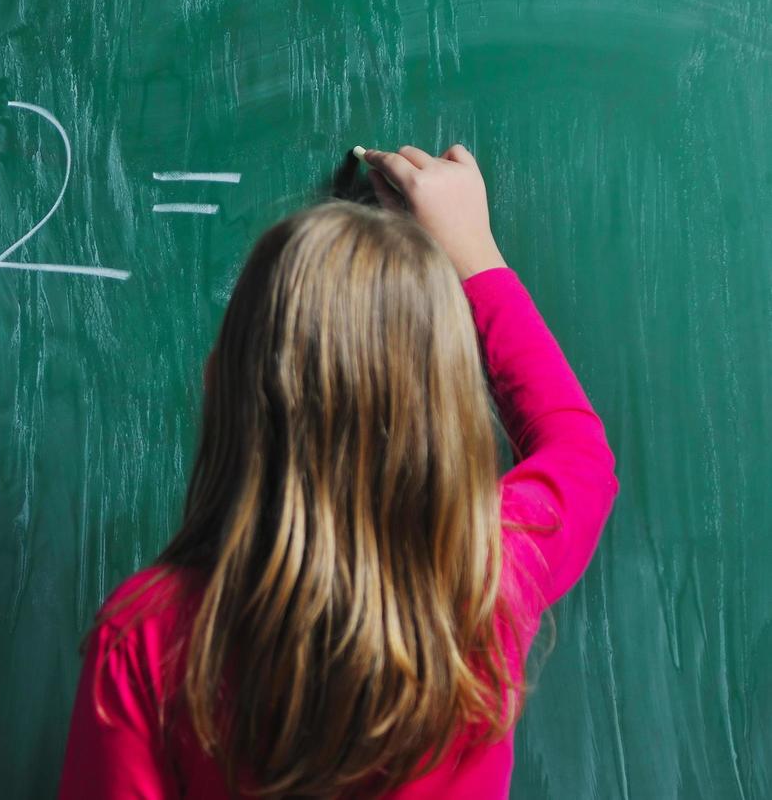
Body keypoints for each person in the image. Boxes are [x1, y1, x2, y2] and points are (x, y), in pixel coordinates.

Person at [57, 144, 618, 798]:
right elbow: (578, 451)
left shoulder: (147, 639)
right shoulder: (485, 584)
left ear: (219, 384)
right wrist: (474, 253)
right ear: (446, 411)